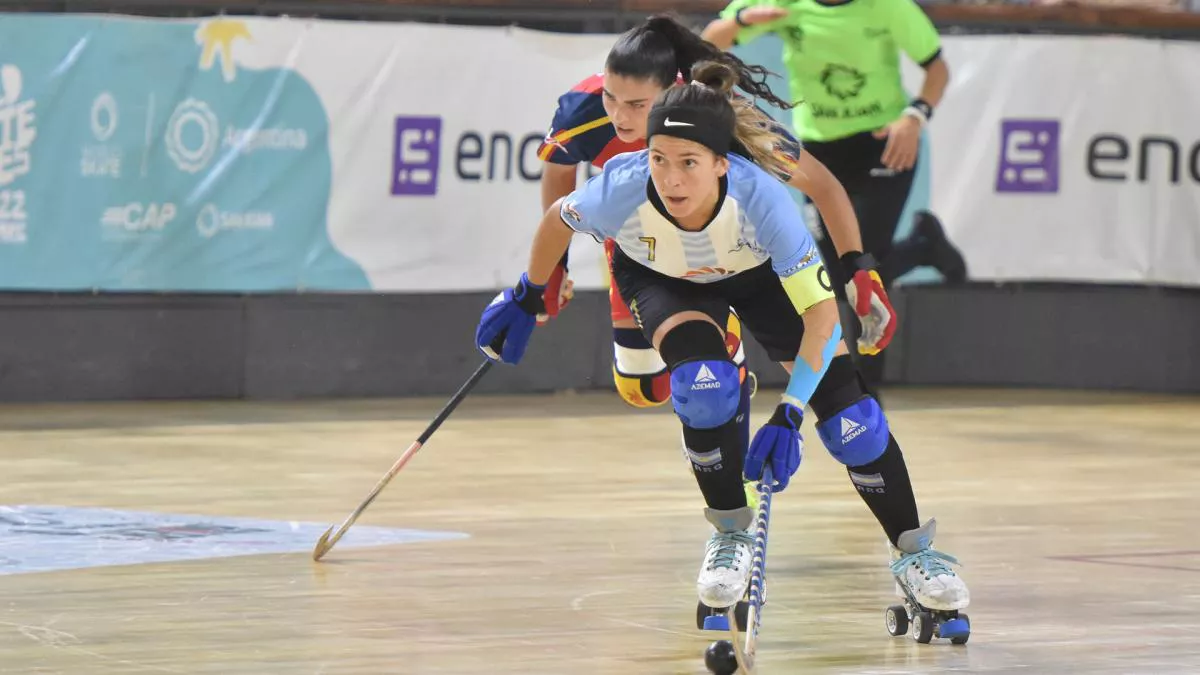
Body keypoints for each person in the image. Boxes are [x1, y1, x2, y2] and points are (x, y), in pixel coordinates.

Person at [477, 61, 969, 621]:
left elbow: (821, 318)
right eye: (658, 159)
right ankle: (732, 535)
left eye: (688, 162)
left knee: (853, 423)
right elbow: (556, 221)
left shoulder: (762, 199)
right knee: (703, 389)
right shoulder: (621, 187)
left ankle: (914, 552)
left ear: (721, 162)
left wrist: (789, 412)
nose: (671, 179)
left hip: (756, 276)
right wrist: (528, 291)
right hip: (662, 279)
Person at [536, 15, 896, 420]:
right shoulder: (584, 108)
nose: (619, 116)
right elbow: (559, 174)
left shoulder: (717, 115)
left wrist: (858, 267)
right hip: (644, 245)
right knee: (643, 389)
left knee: (714, 381)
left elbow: (824, 186)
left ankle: (729, 368)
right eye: (610, 98)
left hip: (727, 249)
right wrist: (556, 267)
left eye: (637, 105)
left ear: (672, 93)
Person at [702, 1, 968, 387]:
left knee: (863, 267)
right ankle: (921, 246)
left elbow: (937, 68)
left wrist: (915, 117)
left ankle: (865, 392)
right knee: (841, 272)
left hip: (883, 144)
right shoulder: (787, 4)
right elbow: (709, 43)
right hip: (820, 150)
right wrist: (743, 19)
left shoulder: (888, 7)